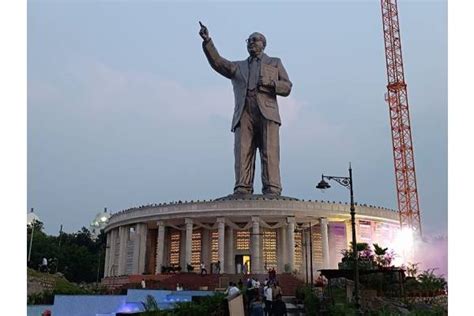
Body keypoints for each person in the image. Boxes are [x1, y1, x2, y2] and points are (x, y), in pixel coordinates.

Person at [199, 22, 292, 196]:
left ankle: (272, 187)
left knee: (269, 152)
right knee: (243, 152)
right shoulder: (238, 67)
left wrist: (272, 84)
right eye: (248, 40)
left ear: (263, 44)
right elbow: (218, 62)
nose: (251, 43)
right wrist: (207, 41)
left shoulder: (274, 63)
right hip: (244, 111)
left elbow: (287, 87)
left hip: (267, 112)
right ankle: (242, 187)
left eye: (255, 40)